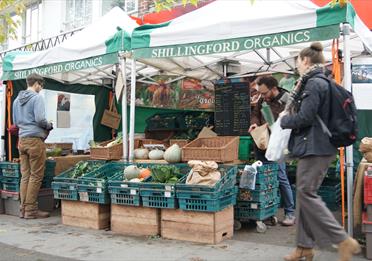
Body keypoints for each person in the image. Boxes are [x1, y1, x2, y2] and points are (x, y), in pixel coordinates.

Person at [280, 42, 360, 261]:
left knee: (306, 193)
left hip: (316, 146)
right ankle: (304, 247)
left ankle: (342, 239)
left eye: (297, 61)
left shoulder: (313, 84)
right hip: (319, 146)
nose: (297, 66)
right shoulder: (323, 80)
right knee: (305, 194)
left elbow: (305, 117)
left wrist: (284, 121)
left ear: (305, 60)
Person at [249, 76, 296, 226]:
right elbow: (256, 113)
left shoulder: (287, 100)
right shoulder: (263, 100)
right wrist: (255, 124)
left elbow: (293, 122)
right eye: (260, 94)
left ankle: (290, 213)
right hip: (261, 144)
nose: (261, 97)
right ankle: (267, 211)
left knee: (281, 177)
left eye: (264, 93)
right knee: (264, 178)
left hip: (278, 146)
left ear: (274, 88)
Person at [13, 73, 53, 219]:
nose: (41, 89)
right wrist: (49, 125)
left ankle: (23, 209)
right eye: (41, 86)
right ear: (37, 83)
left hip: (22, 140)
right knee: (36, 176)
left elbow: (16, 122)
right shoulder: (37, 98)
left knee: (25, 176)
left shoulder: (17, 100)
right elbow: (40, 120)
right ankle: (30, 210)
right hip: (35, 141)